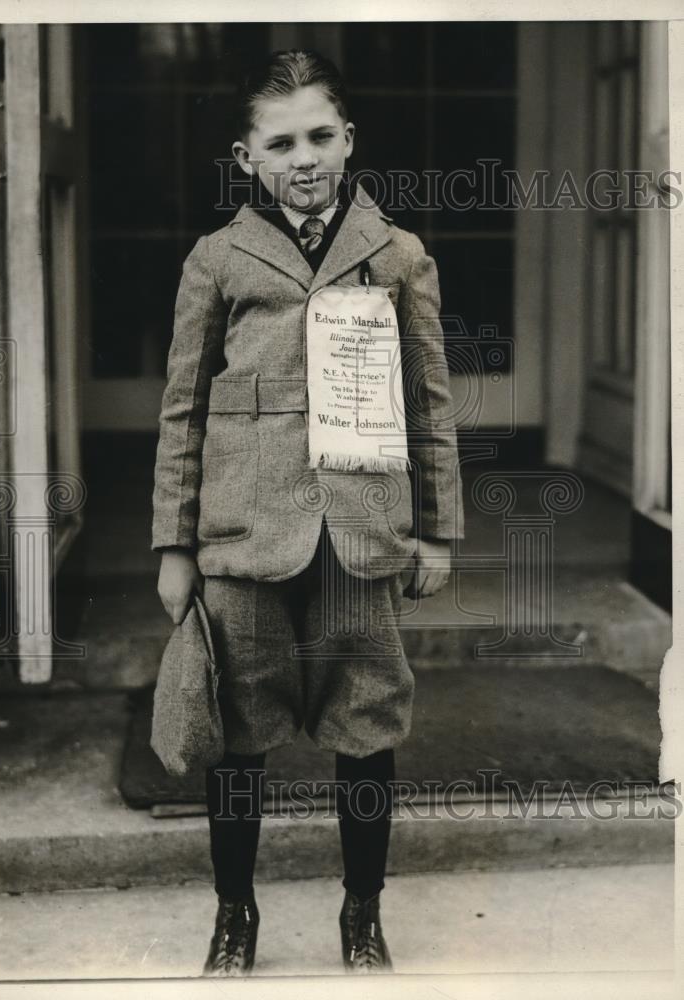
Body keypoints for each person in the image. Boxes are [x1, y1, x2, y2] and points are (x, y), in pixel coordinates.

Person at [152, 48, 465, 977]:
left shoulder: (397, 254)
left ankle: (361, 915)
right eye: (280, 142)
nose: (304, 158)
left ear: (349, 142)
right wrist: (175, 542)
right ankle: (234, 916)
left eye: (320, 136)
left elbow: (430, 397)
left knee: (366, 732)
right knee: (235, 738)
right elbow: (182, 408)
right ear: (246, 156)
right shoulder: (216, 260)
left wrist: (438, 529)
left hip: (361, 534)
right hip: (245, 538)